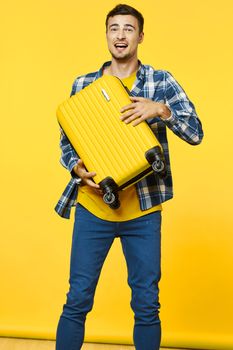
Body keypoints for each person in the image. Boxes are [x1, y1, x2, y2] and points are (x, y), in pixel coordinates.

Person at [55, 4, 203, 350]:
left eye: (128, 29)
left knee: (147, 305)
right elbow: (68, 142)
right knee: (77, 299)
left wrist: (161, 110)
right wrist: (76, 169)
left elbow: (196, 133)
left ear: (140, 36)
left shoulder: (160, 81)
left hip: (143, 212)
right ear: (106, 34)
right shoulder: (84, 83)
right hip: (95, 210)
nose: (120, 35)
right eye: (114, 28)